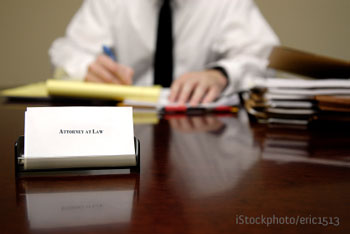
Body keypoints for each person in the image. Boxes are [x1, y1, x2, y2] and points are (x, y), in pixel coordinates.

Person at [49, 0, 279, 105]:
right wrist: (87, 68)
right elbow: (67, 50)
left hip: (203, 132)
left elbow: (265, 59)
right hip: (124, 125)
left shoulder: (228, 4)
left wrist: (221, 74)